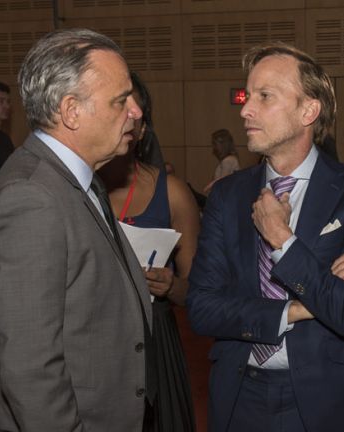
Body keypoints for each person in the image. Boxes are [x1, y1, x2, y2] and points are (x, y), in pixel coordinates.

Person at [187, 42, 344, 432]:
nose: (246, 109)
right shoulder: (227, 196)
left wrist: (283, 240)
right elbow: (201, 307)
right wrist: (293, 310)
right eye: (248, 96)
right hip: (240, 396)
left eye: (265, 97)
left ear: (308, 111)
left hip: (330, 399)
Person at [0, 29, 157, 431]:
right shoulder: (30, 199)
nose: (136, 111)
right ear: (71, 111)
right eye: (121, 100)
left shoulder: (77, 180)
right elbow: (31, 369)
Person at [99, 71, 200, 432]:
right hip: (93, 341)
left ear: (143, 130)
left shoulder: (172, 192)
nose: (126, 123)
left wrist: (170, 286)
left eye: (134, 116)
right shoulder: (72, 192)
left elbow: (197, 293)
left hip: (156, 341)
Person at [203, 128, 240, 193]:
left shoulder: (228, 161)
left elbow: (222, 183)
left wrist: (209, 188)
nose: (213, 147)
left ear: (222, 144)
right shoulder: (230, 159)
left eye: (215, 144)